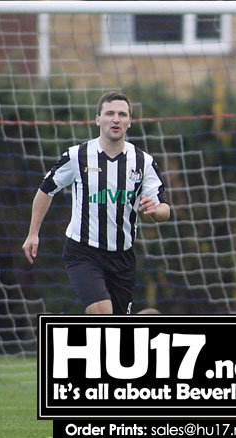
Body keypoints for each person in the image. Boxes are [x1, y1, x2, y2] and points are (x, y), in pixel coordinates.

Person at [22, 92, 170, 315]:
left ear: (130, 122)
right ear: (98, 119)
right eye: (109, 113)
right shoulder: (77, 156)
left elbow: (165, 209)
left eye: (122, 114)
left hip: (122, 257)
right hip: (83, 251)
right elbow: (46, 189)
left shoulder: (144, 162)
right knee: (102, 312)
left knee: (114, 332)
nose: (116, 119)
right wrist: (33, 233)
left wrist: (155, 210)